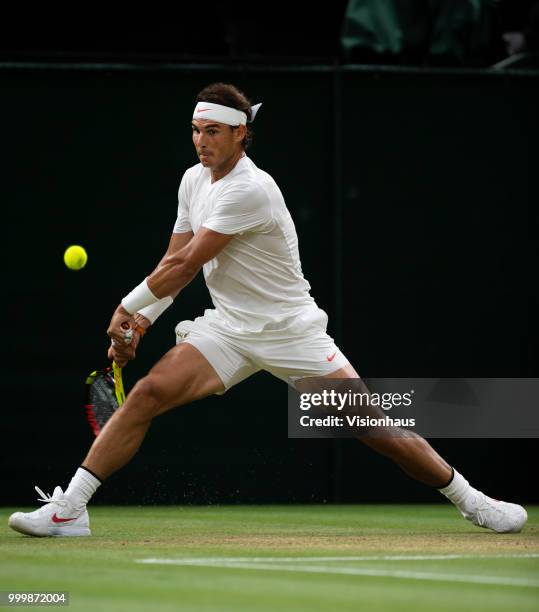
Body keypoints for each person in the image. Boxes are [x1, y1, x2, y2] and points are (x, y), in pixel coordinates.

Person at [9, 82, 527, 537]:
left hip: (290, 331)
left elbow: (188, 264)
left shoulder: (250, 189)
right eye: (195, 130)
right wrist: (142, 320)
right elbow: (172, 259)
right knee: (146, 394)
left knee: (375, 427)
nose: (201, 141)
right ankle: (69, 510)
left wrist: (125, 307)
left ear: (240, 135)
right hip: (228, 329)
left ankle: (473, 501)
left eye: (213, 131)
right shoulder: (194, 181)